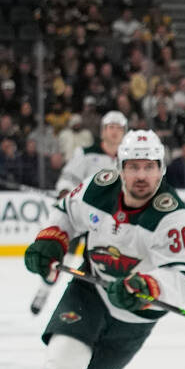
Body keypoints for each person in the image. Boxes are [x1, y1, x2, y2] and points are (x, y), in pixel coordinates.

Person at [6, 130, 185, 369]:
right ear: (120, 168)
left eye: (150, 167)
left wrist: (147, 286)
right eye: (133, 166)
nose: (141, 175)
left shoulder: (172, 217)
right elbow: (65, 212)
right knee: (64, 355)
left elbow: (181, 278)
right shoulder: (99, 188)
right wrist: (51, 241)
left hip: (135, 317)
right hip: (90, 290)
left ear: (162, 169)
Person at [28, 111, 130, 316]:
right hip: (81, 217)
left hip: (109, 223)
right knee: (59, 259)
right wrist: (65, 192)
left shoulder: (129, 159)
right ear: (103, 131)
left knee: (113, 263)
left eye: (119, 128)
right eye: (111, 127)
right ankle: (44, 290)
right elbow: (68, 178)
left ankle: (111, 306)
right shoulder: (86, 153)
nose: (115, 132)